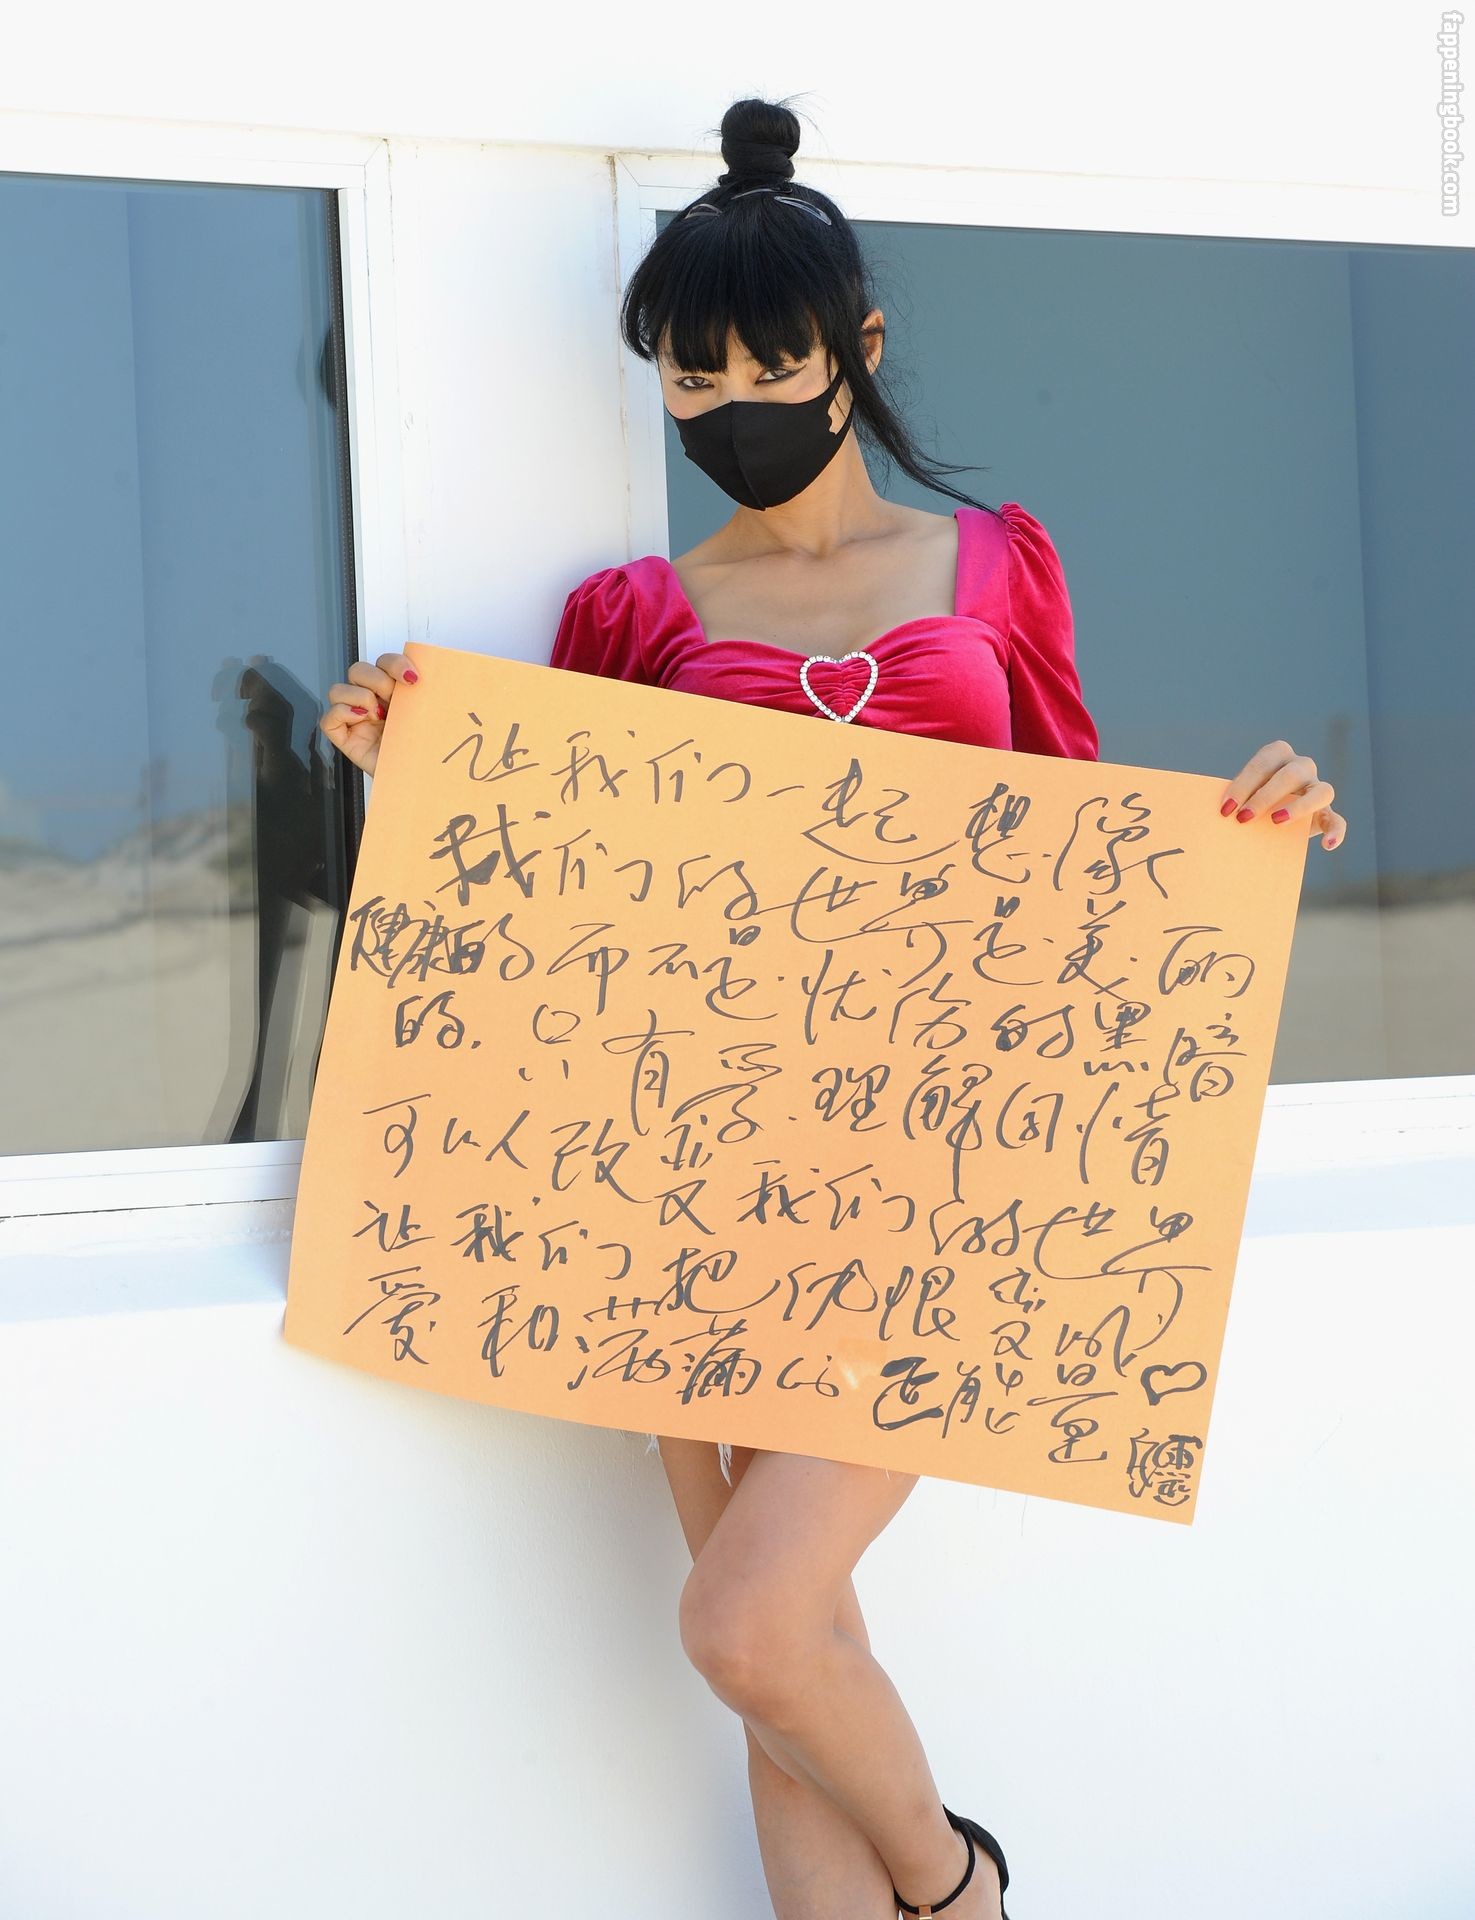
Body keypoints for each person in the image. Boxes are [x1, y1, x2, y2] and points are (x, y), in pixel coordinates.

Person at [320, 94, 1347, 1920]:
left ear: (856, 347)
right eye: (690, 379)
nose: (730, 406)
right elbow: (577, 889)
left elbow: (1078, 842)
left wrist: (1250, 829)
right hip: (704, 1179)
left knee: (746, 1619)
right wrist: (416, 775)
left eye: (769, 366)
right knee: (775, 1656)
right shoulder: (638, 612)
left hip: (941, 1177)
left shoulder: (993, 565)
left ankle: (961, 1888)